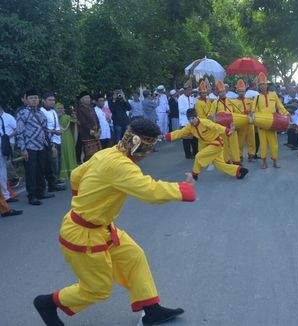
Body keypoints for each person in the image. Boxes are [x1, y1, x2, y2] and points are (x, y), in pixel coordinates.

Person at [33, 119, 195, 326]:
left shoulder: (107, 153)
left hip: (99, 228)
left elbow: (76, 175)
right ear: (140, 147)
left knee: (134, 256)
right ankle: (48, 302)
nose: (148, 154)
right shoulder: (122, 167)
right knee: (97, 289)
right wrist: (184, 189)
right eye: (149, 148)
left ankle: (151, 309)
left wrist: (83, 202)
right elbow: (150, 192)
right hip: (83, 235)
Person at [165, 109, 248, 181]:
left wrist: (227, 131)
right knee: (220, 165)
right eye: (189, 119)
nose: (191, 121)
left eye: (193, 118)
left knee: (198, 156)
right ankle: (240, 171)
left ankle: (194, 175)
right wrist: (167, 136)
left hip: (216, 143)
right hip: (209, 145)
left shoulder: (205, 122)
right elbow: (180, 132)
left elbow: (216, 126)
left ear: (196, 116)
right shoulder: (189, 127)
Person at [17, 89, 64, 206]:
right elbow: (19, 132)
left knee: (40, 170)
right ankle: (32, 196)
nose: (34, 100)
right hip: (29, 147)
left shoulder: (40, 113)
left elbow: (46, 131)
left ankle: (40, 192)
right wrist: (23, 149)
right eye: (31, 98)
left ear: (39, 100)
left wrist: (51, 146)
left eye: (36, 98)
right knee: (31, 172)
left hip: (41, 146)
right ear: (26, 100)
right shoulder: (22, 113)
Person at [252, 72, 290, 169]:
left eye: (263, 84)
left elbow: (280, 107)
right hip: (262, 124)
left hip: (273, 123)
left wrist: (287, 115)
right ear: (258, 86)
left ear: (266, 84)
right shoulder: (256, 98)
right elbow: (253, 111)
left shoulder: (273, 95)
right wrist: (255, 120)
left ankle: (275, 161)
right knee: (263, 144)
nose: (262, 86)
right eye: (260, 85)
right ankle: (264, 162)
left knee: (274, 144)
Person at [211, 80, 241, 165]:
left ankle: (236, 161)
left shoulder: (231, 101)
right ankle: (227, 161)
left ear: (225, 91)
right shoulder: (215, 103)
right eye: (220, 92)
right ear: (217, 92)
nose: (222, 93)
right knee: (224, 145)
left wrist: (235, 124)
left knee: (234, 144)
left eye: (223, 91)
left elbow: (236, 113)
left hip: (231, 126)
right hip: (221, 128)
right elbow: (211, 115)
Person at [40, 91, 63, 183]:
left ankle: (57, 178)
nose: (52, 102)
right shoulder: (41, 111)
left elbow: (56, 124)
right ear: (43, 101)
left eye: (53, 100)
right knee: (53, 161)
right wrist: (54, 131)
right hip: (49, 140)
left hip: (58, 139)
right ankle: (53, 181)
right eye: (50, 100)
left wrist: (60, 130)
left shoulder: (53, 111)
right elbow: (43, 128)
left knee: (59, 160)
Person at [232, 79, 256, 162]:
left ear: (245, 91)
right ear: (237, 91)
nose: (241, 92)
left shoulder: (250, 100)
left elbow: (253, 109)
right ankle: (240, 155)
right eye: (240, 91)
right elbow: (233, 113)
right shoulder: (233, 102)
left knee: (251, 140)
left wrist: (251, 111)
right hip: (241, 124)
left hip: (250, 123)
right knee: (240, 141)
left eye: (243, 91)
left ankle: (251, 154)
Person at [55, 103, 78, 180]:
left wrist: (74, 115)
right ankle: (63, 173)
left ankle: (72, 171)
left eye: (62, 108)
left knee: (69, 152)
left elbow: (75, 121)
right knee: (63, 153)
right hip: (59, 137)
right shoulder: (54, 118)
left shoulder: (67, 117)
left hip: (68, 137)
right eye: (58, 108)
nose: (61, 110)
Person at [76, 92, 101, 161]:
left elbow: (96, 118)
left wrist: (99, 129)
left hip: (95, 133)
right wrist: (92, 132)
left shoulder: (91, 107)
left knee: (97, 153)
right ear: (81, 100)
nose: (88, 99)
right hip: (87, 135)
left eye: (89, 98)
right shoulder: (80, 109)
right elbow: (83, 123)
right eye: (86, 98)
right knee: (88, 155)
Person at [178, 80, 198, 159]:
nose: (190, 91)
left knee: (194, 138)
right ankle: (188, 154)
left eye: (190, 90)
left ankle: (195, 153)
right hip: (185, 122)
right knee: (186, 139)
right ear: (185, 90)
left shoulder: (191, 98)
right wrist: (190, 111)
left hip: (192, 122)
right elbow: (181, 110)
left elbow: (194, 107)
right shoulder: (181, 98)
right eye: (189, 90)